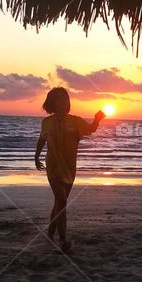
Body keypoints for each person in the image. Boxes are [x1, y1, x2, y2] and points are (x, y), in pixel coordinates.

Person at [35, 87, 104, 253]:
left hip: (70, 167)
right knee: (63, 201)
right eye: (59, 98)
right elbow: (42, 139)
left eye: (65, 98)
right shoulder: (47, 122)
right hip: (53, 165)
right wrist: (36, 157)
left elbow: (91, 129)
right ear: (52, 101)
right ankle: (63, 240)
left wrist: (97, 119)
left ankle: (50, 233)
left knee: (59, 202)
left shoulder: (75, 121)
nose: (63, 101)